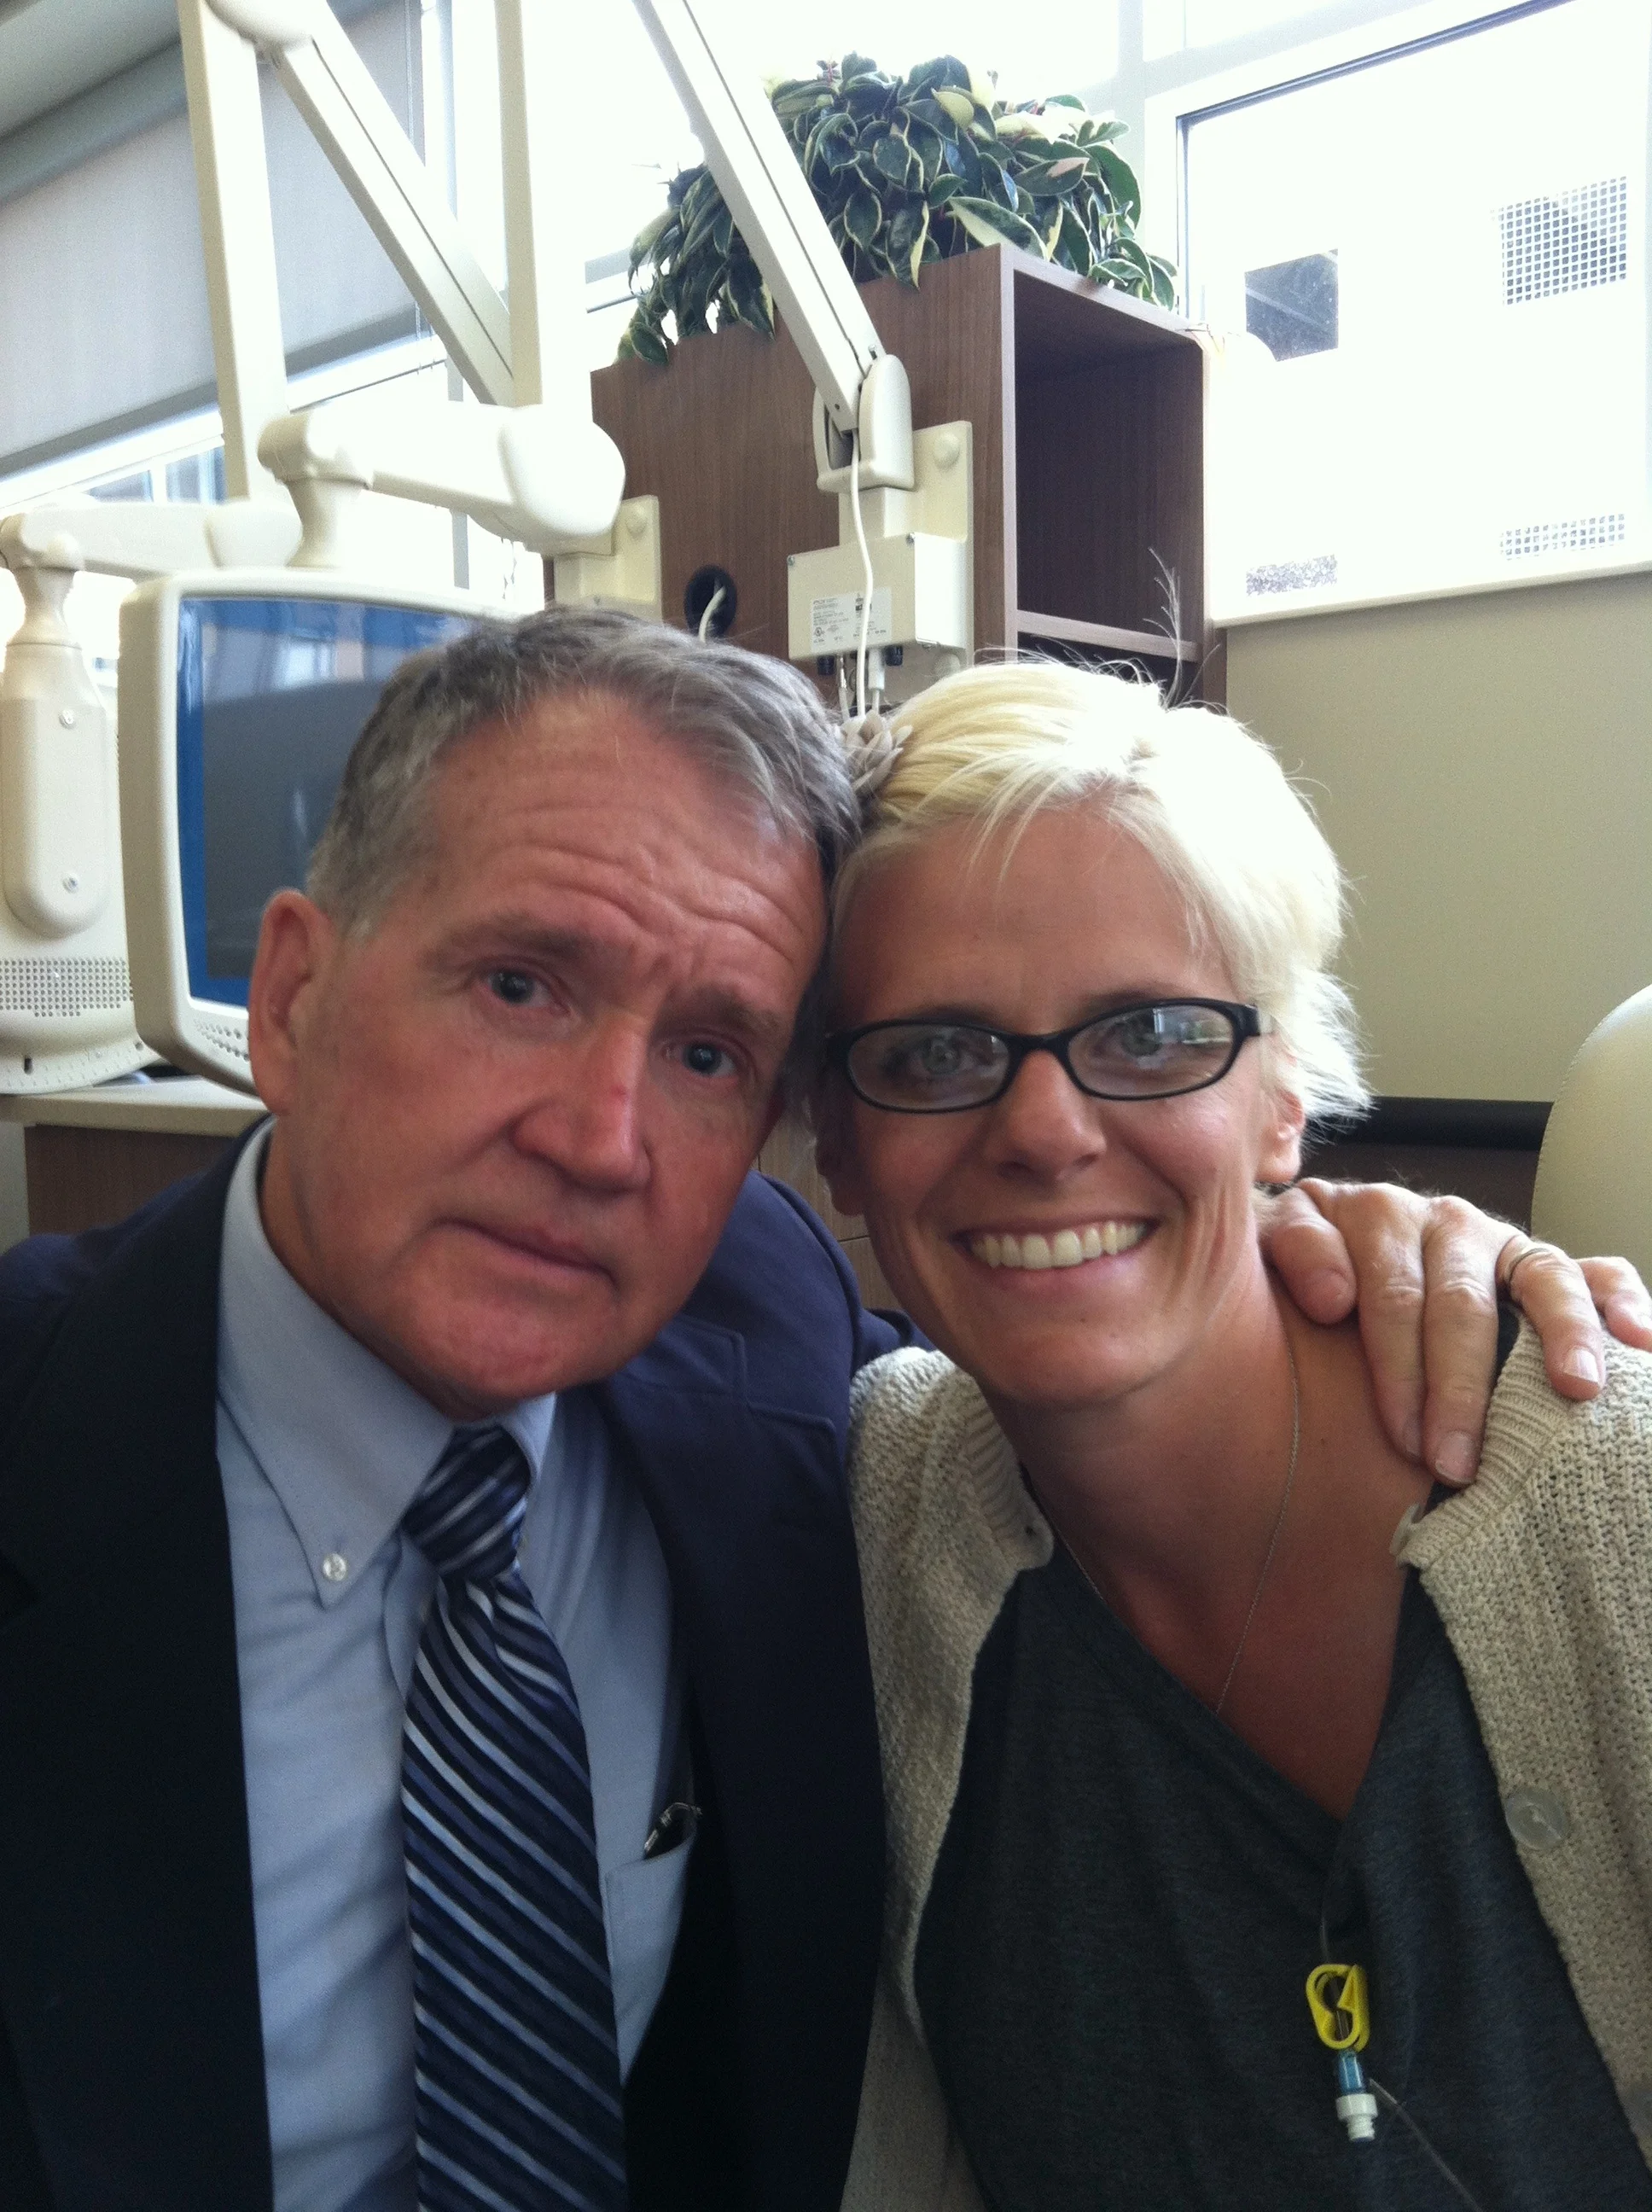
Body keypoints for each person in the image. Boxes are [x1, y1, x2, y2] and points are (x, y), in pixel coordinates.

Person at [0, 612, 1637, 2212]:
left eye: (712, 1053)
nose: (601, 1141)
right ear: (291, 995)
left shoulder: (781, 1359)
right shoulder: (883, 1474)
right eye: (518, 985)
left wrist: (1387, 1249)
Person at [817, 660, 1652, 2211]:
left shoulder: (1618, 1505)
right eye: (935, 1051)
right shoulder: (872, 1509)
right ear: (839, 1139)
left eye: (1149, 1033)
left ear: (1281, 1099)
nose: (1045, 1130)